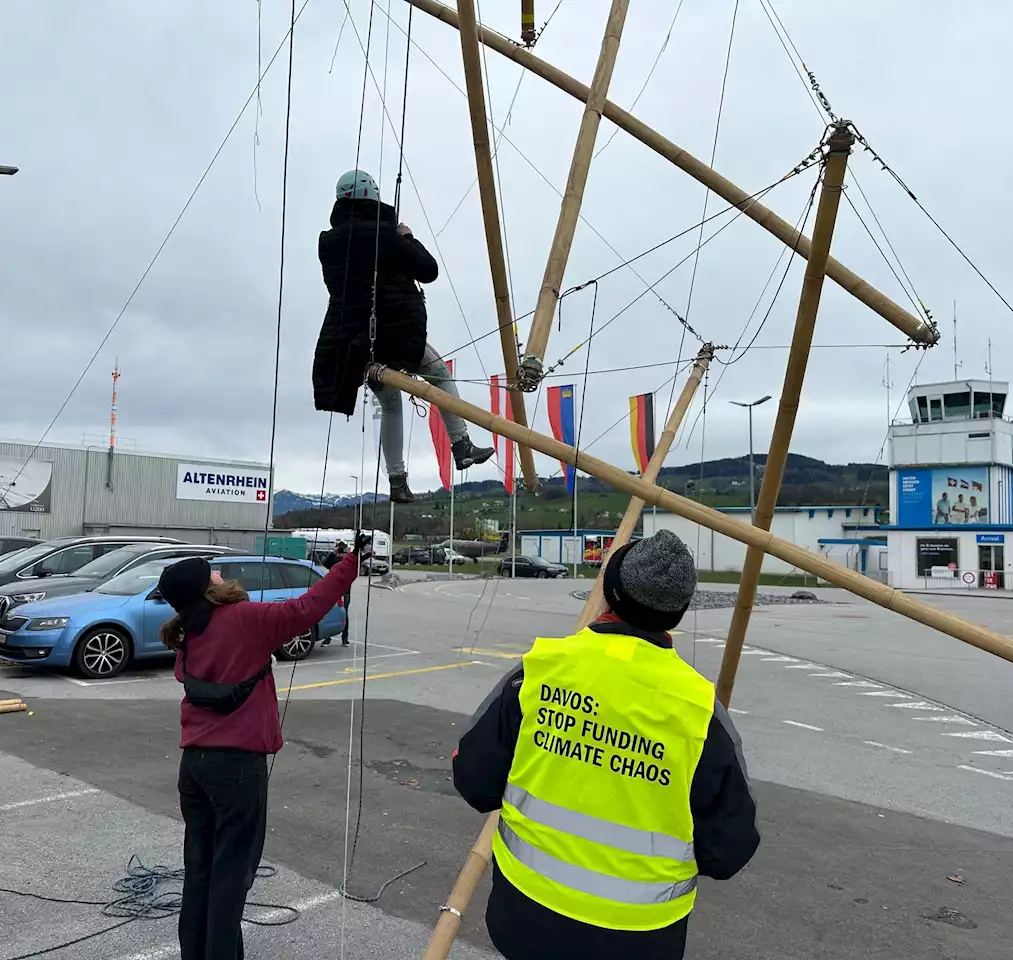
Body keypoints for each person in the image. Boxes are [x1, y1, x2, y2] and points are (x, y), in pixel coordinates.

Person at [452, 530, 759, 960]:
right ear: (677, 612)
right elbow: (729, 849)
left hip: (524, 918)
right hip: (639, 938)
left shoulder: (542, 670)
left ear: (610, 593)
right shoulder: (700, 711)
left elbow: (473, 779)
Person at [157, 542, 363, 960]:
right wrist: (349, 566)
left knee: (200, 871)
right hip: (236, 767)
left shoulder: (189, 634)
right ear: (205, 589)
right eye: (211, 573)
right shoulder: (243, 620)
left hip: (193, 766)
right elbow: (306, 609)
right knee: (231, 877)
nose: (219, 575)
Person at [313, 169, 494, 504]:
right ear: (372, 195)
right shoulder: (387, 236)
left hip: (355, 342)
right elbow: (428, 269)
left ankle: (397, 480)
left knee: (391, 404)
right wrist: (406, 237)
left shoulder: (329, 242)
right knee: (439, 374)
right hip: (394, 333)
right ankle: (461, 443)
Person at [321, 541, 352, 647]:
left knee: (344, 613)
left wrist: (348, 555)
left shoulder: (348, 559)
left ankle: (345, 638)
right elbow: (325, 564)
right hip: (333, 589)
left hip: (345, 590)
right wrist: (333, 554)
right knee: (330, 612)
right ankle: (327, 638)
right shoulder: (334, 558)